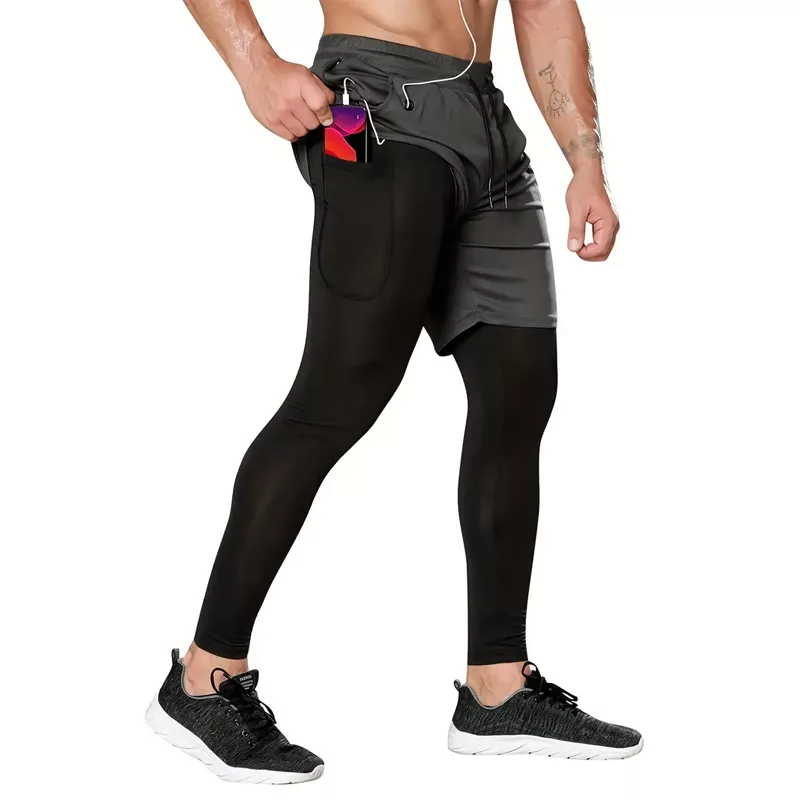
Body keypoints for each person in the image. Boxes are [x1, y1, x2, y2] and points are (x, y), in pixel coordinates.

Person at [145, 0, 640, 784]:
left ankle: (498, 689)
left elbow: (544, 9)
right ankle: (204, 678)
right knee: (339, 394)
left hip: (488, 129)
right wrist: (254, 63)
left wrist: (586, 164)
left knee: (518, 392)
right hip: (363, 110)